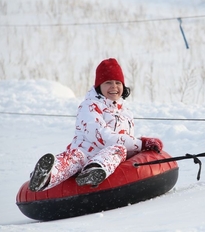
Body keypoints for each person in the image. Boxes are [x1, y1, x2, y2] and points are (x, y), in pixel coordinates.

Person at [29, 58, 163, 192]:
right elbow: (103, 137)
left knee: (119, 150)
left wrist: (142, 147)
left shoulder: (126, 113)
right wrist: (140, 143)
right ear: (99, 86)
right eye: (108, 82)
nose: (114, 87)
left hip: (107, 158)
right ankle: (47, 174)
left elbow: (125, 141)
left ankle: (92, 172)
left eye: (118, 82)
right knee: (73, 158)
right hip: (85, 152)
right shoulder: (89, 106)